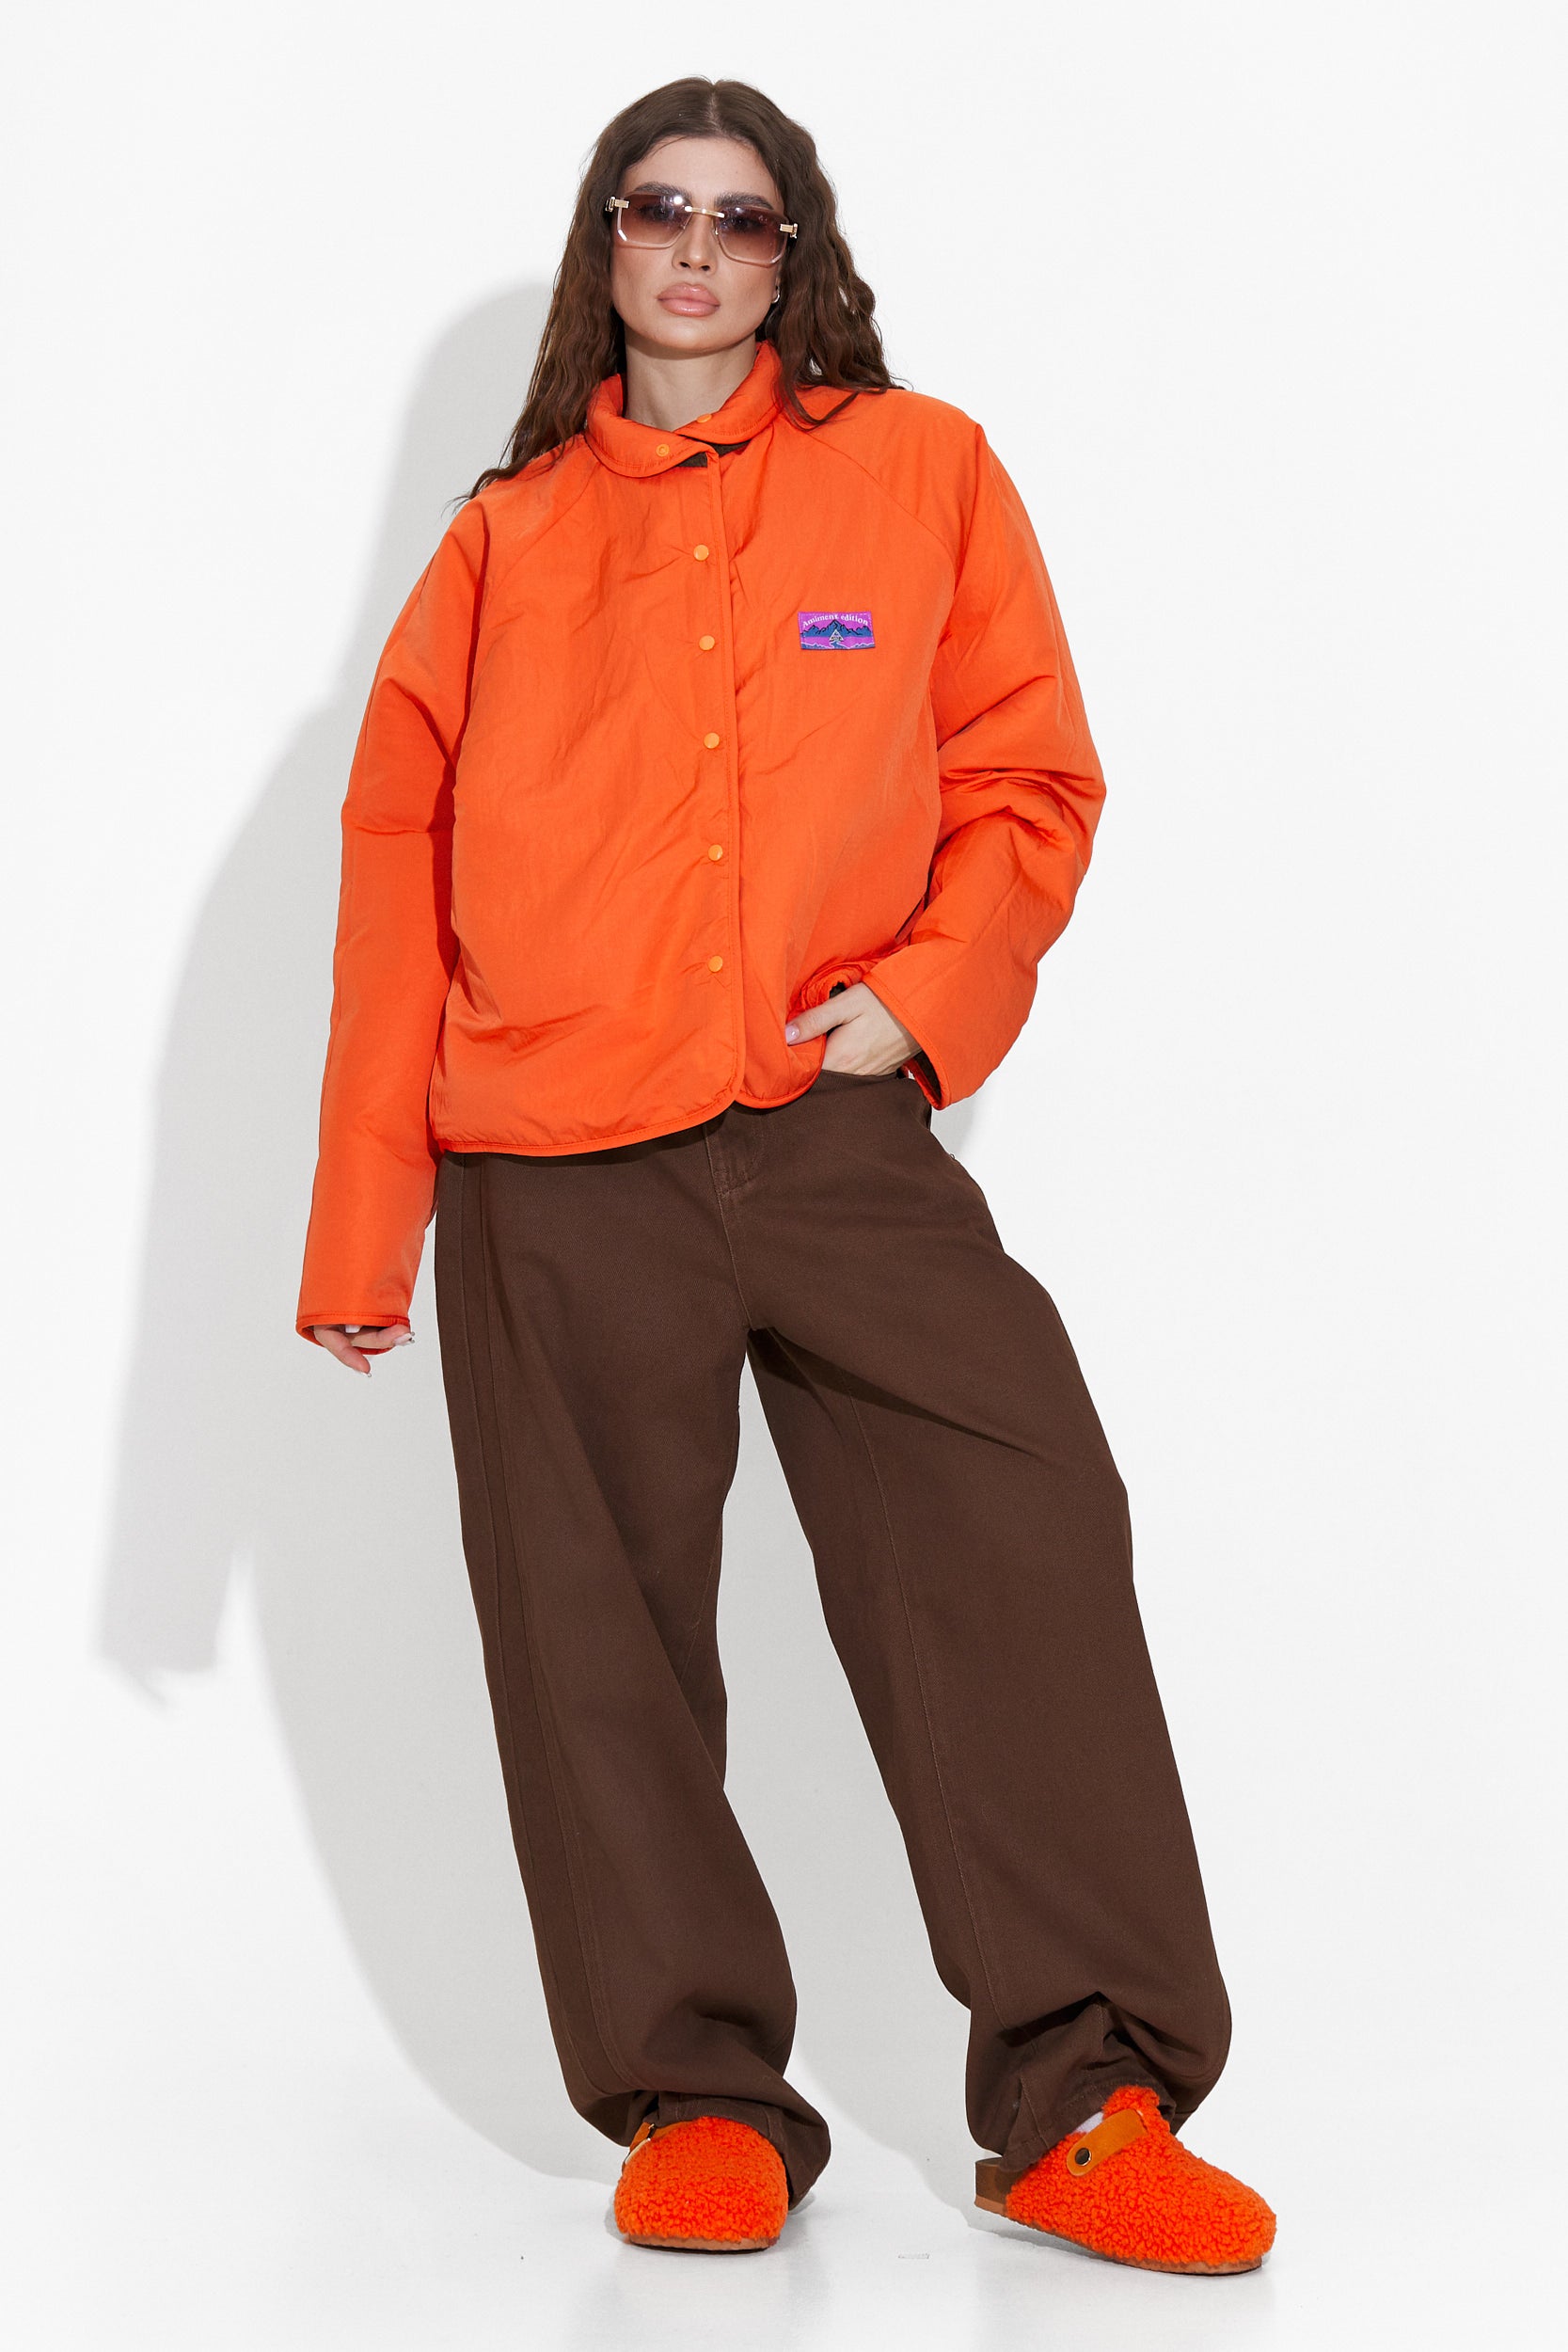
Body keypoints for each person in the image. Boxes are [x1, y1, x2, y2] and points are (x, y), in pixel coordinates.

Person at [295, 75, 1275, 2276]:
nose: (696, 249)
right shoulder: (506, 539)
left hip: (828, 1125)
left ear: (792, 254)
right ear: (606, 244)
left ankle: (1086, 2096)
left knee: (1017, 1521)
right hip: (555, 1160)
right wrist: (365, 1224)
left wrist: (923, 999)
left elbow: (1027, 769)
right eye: (658, 208)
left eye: (742, 218)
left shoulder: (921, 473)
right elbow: (393, 870)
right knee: (594, 1627)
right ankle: (697, 2096)